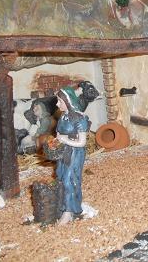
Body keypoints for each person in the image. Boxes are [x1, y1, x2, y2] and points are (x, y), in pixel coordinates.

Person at [55, 86, 89, 224]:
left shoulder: (80, 118)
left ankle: (70, 211)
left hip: (75, 153)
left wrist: (65, 140)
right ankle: (62, 206)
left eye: (60, 101)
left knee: (70, 180)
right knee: (61, 177)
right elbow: (59, 134)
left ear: (68, 101)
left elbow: (82, 142)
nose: (57, 104)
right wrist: (56, 142)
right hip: (63, 152)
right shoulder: (63, 117)